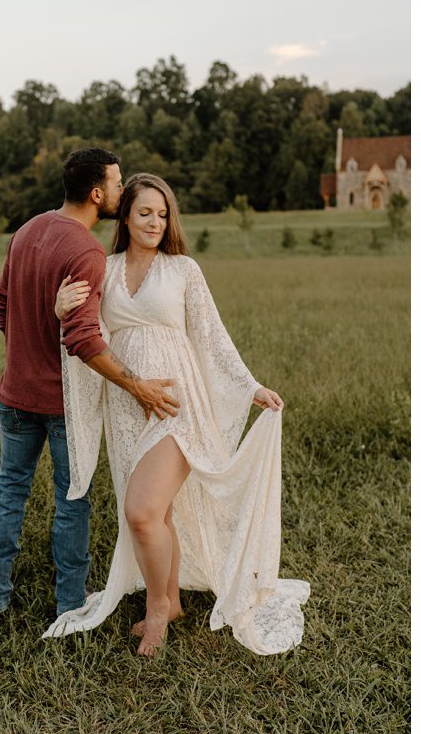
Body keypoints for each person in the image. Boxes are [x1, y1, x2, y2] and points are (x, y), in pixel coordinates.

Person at [45, 173, 309, 656]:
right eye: (144, 212)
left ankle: (158, 611)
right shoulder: (102, 267)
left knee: (141, 512)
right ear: (125, 215)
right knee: (159, 511)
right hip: (126, 405)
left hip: (176, 403)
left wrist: (250, 387)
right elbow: (87, 331)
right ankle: (171, 600)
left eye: (162, 214)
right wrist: (61, 307)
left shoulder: (183, 270)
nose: (154, 222)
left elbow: (212, 336)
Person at [0, 148, 179, 623]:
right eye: (116, 183)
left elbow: (1, 304)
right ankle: (70, 603)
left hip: (13, 394)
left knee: (9, 492)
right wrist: (140, 387)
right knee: (73, 500)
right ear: (96, 193)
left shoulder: (27, 230)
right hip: (62, 404)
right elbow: (84, 340)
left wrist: (27, 347)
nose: (122, 188)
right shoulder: (86, 251)